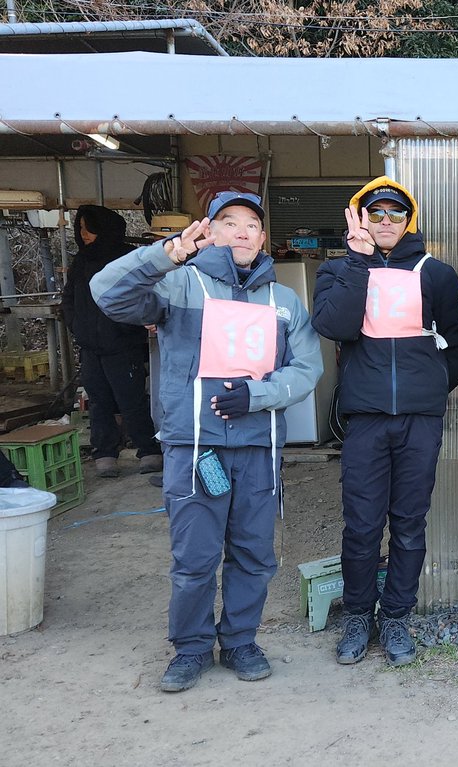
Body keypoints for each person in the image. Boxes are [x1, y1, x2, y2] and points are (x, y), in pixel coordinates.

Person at [92, 191, 323, 692]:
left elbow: (307, 368)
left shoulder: (283, 300)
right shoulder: (178, 284)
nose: (242, 231)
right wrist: (165, 253)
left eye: (252, 224)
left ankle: (240, 640)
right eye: (229, 222)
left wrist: (259, 396)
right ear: (210, 231)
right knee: (194, 557)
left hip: (259, 448)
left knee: (255, 554)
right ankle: (192, 648)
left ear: (263, 238)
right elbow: (106, 292)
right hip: (195, 447)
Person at [312, 178, 458, 667]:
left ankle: (397, 616)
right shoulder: (337, 271)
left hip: (419, 420)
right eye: (375, 213)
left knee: (408, 523)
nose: (385, 222)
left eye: (395, 214)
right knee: (362, 525)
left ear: (410, 220)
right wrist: (358, 263)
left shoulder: (436, 274)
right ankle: (359, 614)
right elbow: (335, 327)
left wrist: (430, 383)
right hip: (365, 419)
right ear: (359, 217)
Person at [63, 205, 161, 478]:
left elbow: (145, 294)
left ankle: (148, 450)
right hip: (91, 346)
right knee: (98, 400)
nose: (83, 234)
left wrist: (126, 328)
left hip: (123, 343)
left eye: (88, 228)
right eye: (80, 228)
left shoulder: (127, 256)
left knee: (131, 399)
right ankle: (105, 453)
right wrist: (77, 327)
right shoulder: (81, 261)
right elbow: (68, 298)